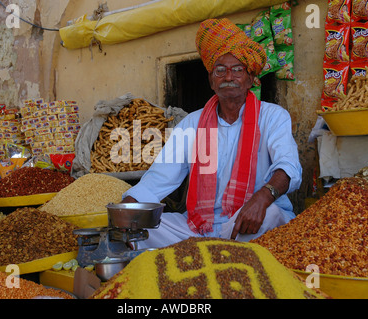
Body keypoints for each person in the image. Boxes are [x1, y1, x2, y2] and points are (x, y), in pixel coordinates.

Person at [121, 18, 302, 248]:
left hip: (247, 222)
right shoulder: (192, 123)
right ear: (211, 80)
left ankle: (211, 252)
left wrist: (263, 197)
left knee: (272, 214)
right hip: (199, 226)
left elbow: (288, 166)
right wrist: (128, 208)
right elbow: (161, 176)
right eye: (220, 70)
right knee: (141, 228)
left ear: (251, 78)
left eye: (238, 70)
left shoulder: (273, 117)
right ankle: (216, 250)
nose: (228, 77)